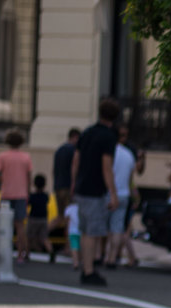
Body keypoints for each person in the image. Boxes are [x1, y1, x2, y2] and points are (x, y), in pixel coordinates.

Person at [72, 97, 120, 286]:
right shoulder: (108, 137)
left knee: (85, 231)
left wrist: (73, 183)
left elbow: (76, 160)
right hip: (94, 189)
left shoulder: (87, 133)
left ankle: (86, 266)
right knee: (92, 232)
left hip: (82, 187)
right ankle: (89, 270)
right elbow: (106, 166)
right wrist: (113, 193)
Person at [0, 128, 32, 264]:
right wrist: (27, 192)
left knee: (3, 224)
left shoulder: (3, 156)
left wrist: (5, 179)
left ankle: (2, 251)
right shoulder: (26, 157)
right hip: (21, 194)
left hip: (6, 194)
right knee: (20, 225)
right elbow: (29, 176)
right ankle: (21, 254)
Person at [103, 125, 140, 269]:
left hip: (109, 192)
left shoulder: (110, 153)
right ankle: (112, 257)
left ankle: (101, 256)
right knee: (118, 228)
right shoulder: (129, 154)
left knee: (103, 227)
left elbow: (106, 172)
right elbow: (131, 177)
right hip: (124, 193)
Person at [25, 174, 54, 261]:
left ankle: (27, 253)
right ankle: (51, 250)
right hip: (43, 219)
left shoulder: (32, 196)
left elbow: (27, 204)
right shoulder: (46, 196)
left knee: (28, 237)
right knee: (44, 237)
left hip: (33, 218)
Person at [52, 128, 80, 212]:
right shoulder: (74, 151)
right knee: (70, 215)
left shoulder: (59, 150)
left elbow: (54, 170)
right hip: (68, 187)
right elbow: (74, 168)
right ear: (75, 137)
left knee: (61, 215)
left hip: (58, 186)